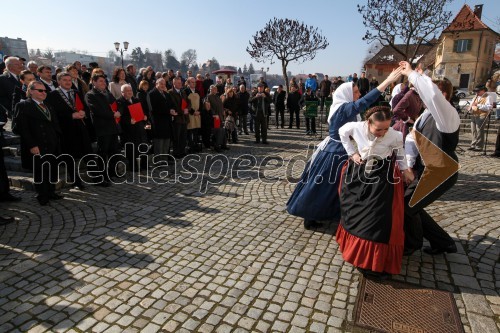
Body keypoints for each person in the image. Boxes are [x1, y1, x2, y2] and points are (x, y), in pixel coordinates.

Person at [286, 68, 403, 230]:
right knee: (324, 186)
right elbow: (365, 102)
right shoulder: (343, 109)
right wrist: (387, 81)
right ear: (346, 94)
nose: (358, 94)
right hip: (335, 152)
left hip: (338, 149)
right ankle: (310, 215)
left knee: (333, 186)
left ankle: (328, 213)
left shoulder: (342, 106)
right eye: (355, 92)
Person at [336, 106, 413, 279]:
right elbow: (341, 132)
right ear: (368, 123)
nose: (383, 132)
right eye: (379, 128)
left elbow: (399, 153)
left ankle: (372, 262)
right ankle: (357, 254)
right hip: (359, 173)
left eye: (386, 127)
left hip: (382, 178)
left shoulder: (394, 135)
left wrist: (405, 169)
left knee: (376, 219)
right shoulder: (356, 127)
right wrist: (352, 153)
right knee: (356, 213)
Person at [400, 61, 461, 255]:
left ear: (443, 95)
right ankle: (443, 242)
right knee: (409, 205)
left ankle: (412, 244)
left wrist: (412, 74)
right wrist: (408, 166)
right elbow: (411, 139)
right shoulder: (425, 115)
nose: (422, 95)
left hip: (443, 171)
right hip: (427, 170)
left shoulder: (448, 115)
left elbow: (432, 94)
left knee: (407, 206)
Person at [15, 81, 62, 205]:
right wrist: (32, 145)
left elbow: (55, 123)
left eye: (45, 91)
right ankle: (42, 195)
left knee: (51, 169)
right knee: (40, 171)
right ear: (31, 91)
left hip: (51, 143)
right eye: (40, 90)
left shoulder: (48, 105)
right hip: (37, 144)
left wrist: (57, 138)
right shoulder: (24, 105)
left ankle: (51, 191)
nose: (43, 93)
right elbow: (22, 128)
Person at [45, 72, 92, 189]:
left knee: (88, 151)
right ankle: (76, 181)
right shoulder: (53, 95)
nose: (67, 82)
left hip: (81, 127)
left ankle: (96, 176)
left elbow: (85, 106)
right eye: (65, 80)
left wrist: (84, 112)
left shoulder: (75, 92)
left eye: (69, 80)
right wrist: (71, 116)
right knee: (70, 157)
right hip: (66, 130)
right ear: (59, 81)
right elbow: (54, 114)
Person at [85, 74, 120, 187]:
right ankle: (102, 175)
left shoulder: (108, 93)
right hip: (102, 128)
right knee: (102, 153)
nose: (103, 83)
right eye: (100, 81)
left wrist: (118, 112)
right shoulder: (90, 95)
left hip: (113, 127)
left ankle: (112, 172)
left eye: (104, 81)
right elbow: (97, 111)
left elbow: (116, 104)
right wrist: (113, 114)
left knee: (113, 151)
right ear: (94, 82)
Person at [117, 84, 148, 171]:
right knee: (132, 150)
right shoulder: (119, 101)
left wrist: (145, 116)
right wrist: (128, 121)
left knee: (143, 147)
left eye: (130, 90)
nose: (130, 92)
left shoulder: (136, 100)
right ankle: (134, 167)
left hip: (139, 127)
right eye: (127, 91)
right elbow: (120, 116)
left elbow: (143, 111)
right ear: (122, 92)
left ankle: (144, 165)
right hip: (128, 130)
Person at [147, 78, 173, 163]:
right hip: (158, 122)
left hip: (167, 121)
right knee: (159, 143)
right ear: (156, 84)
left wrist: (172, 110)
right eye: (161, 83)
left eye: (164, 84)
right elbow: (153, 109)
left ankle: (164, 160)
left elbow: (170, 105)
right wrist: (168, 111)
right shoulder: (152, 94)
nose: (163, 85)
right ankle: (158, 161)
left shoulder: (166, 94)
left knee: (166, 143)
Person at [467, 84, 494, 151]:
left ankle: (479, 146)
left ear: (483, 90)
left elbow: (489, 107)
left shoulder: (488, 97)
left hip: (482, 115)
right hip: (474, 115)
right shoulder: (475, 96)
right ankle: (473, 144)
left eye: (478, 91)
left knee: (479, 131)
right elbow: (472, 104)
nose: (477, 93)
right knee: (473, 131)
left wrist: (478, 105)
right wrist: (470, 108)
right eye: (476, 91)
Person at [168, 77, 190, 158]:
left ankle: (182, 151)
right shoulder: (170, 92)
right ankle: (176, 153)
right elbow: (173, 105)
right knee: (176, 137)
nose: (180, 84)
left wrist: (188, 108)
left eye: (181, 83)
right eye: (178, 83)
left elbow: (188, 102)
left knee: (183, 137)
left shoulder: (183, 92)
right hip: (177, 118)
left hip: (184, 118)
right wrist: (182, 111)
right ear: (174, 84)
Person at [184, 77, 202, 152]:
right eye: (192, 82)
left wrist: (199, 111)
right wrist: (192, 112)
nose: (194, 84)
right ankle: (190, 147)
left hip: (197, 114)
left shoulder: (198, 91)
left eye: (194, 82)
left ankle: (195, 146)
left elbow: (201, 102)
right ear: (188, 83)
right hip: (190, 114)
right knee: (189, 131)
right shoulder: (185, 91)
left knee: (196, 131)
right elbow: (185, 104)